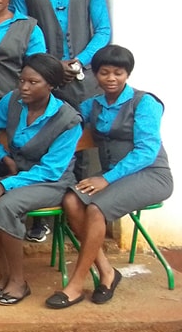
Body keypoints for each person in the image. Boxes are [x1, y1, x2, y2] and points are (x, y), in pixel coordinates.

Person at [10, 0, 112, 243]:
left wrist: (79, 61)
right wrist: (52, 67)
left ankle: (79, 217)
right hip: (43, 78)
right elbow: (22, 30)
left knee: (81, 144)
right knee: (40, 142)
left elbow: (103, 30)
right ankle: (39, 221)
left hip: (83, 78)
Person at [51, 45, 173, 308]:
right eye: (104, 72)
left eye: (118, 73)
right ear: (95, 74)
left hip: (150, 174)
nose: (111, 78)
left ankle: (76, 284)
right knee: (71, 200)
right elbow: (65, 123)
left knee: (96, 209)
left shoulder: (144, 102)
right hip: (113, 176)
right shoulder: (91, 105)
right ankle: (107, 271)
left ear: (127, 74)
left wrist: (106, 179)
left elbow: (146, 151)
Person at [0, 53, 82, 306]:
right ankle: (5, 275)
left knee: (6, 206)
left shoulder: (68, 120)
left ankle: (19, 282)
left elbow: (51, 170)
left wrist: (3, 184)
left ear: (51, 85)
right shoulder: (14, 101)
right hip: (18, 174)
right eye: (21, 80)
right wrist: (2, 156)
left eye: (33, 82)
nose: (24, 87)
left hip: (52, 182)